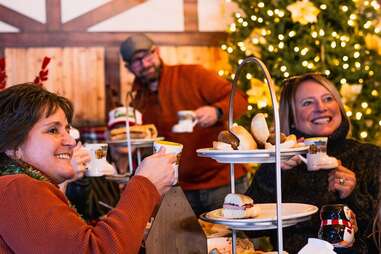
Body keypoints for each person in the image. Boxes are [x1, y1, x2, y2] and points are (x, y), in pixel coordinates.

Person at [0, 83, 176, 253]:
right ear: (13, 147)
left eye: (67, 130)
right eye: (53, 130)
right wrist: (146, 185)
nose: (70, 140)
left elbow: (75, 244)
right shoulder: (16, 188)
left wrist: (129, 232)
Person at [245, 73, 381, 253]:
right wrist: (273, 172)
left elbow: (377, 234)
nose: (321, 108)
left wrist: (353, 195)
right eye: (308, 102)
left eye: (328, 99)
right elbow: (251, 229)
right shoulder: (278, 162)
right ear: (292, 117)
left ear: (339, 107)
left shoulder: (370, 156)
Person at [119, 33, 249, 215]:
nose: (145, 64)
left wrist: (217, 111)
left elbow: (240, 98)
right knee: (187, 243)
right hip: (178, 189)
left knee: (240, 241)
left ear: (157, 52)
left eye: (147, 56)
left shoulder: (193, 75)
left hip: (223, 181)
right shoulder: (136, 99)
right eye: (136, 61)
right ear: (128, 67)